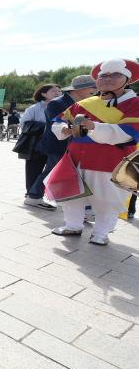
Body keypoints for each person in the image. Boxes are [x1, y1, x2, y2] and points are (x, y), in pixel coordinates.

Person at [50, 59, 139, 245]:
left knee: (107, 199)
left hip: (110, 161)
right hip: (75, 159)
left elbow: (128, 133)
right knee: (71, 195)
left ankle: (101, 233)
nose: (108, 79)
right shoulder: (86, 103)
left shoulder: (135, 103)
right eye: (103, 76)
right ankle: (73, 225)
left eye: (115, 75)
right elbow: (58, 121)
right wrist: (64, 130)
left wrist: (93, 127)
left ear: (127, 79)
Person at [26, 75, 97, 210]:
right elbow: (57, 124)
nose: (95, 90)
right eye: (92, 87)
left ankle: (72, 203)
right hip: (57, 144)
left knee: (61, 172)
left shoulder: (84, 103)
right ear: (79, 89)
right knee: (52, 171)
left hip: (76, 144)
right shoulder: (57, 103)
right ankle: (34, 197)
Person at [19, 84, 61, 208]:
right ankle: (31, 195)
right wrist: (46, 127)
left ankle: (43, 194)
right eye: (54, 91)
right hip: (36, 143)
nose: (58, 93)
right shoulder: (35, 108)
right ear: (43, 93)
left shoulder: (62, 107)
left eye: (59, 91)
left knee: (51, 170)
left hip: (56, 143)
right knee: (34, 169)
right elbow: (24, 124)